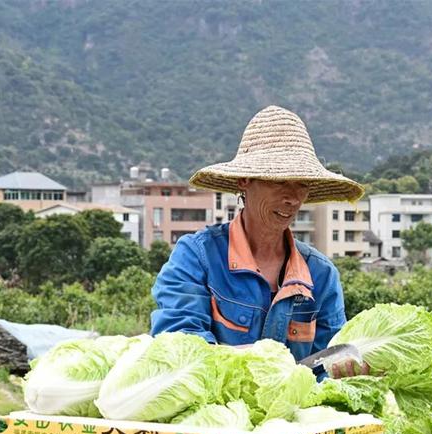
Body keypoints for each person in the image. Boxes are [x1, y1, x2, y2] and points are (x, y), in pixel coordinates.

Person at [150, 105, 368, 377]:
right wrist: (260, 361)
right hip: (211, 415)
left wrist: (346, 374)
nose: (292, 198)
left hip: (291, 418)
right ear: (244, 180)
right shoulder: (197, 256)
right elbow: (177, 346)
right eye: (279, 181)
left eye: (302, 184)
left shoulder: (321, 275)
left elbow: (326, 366)